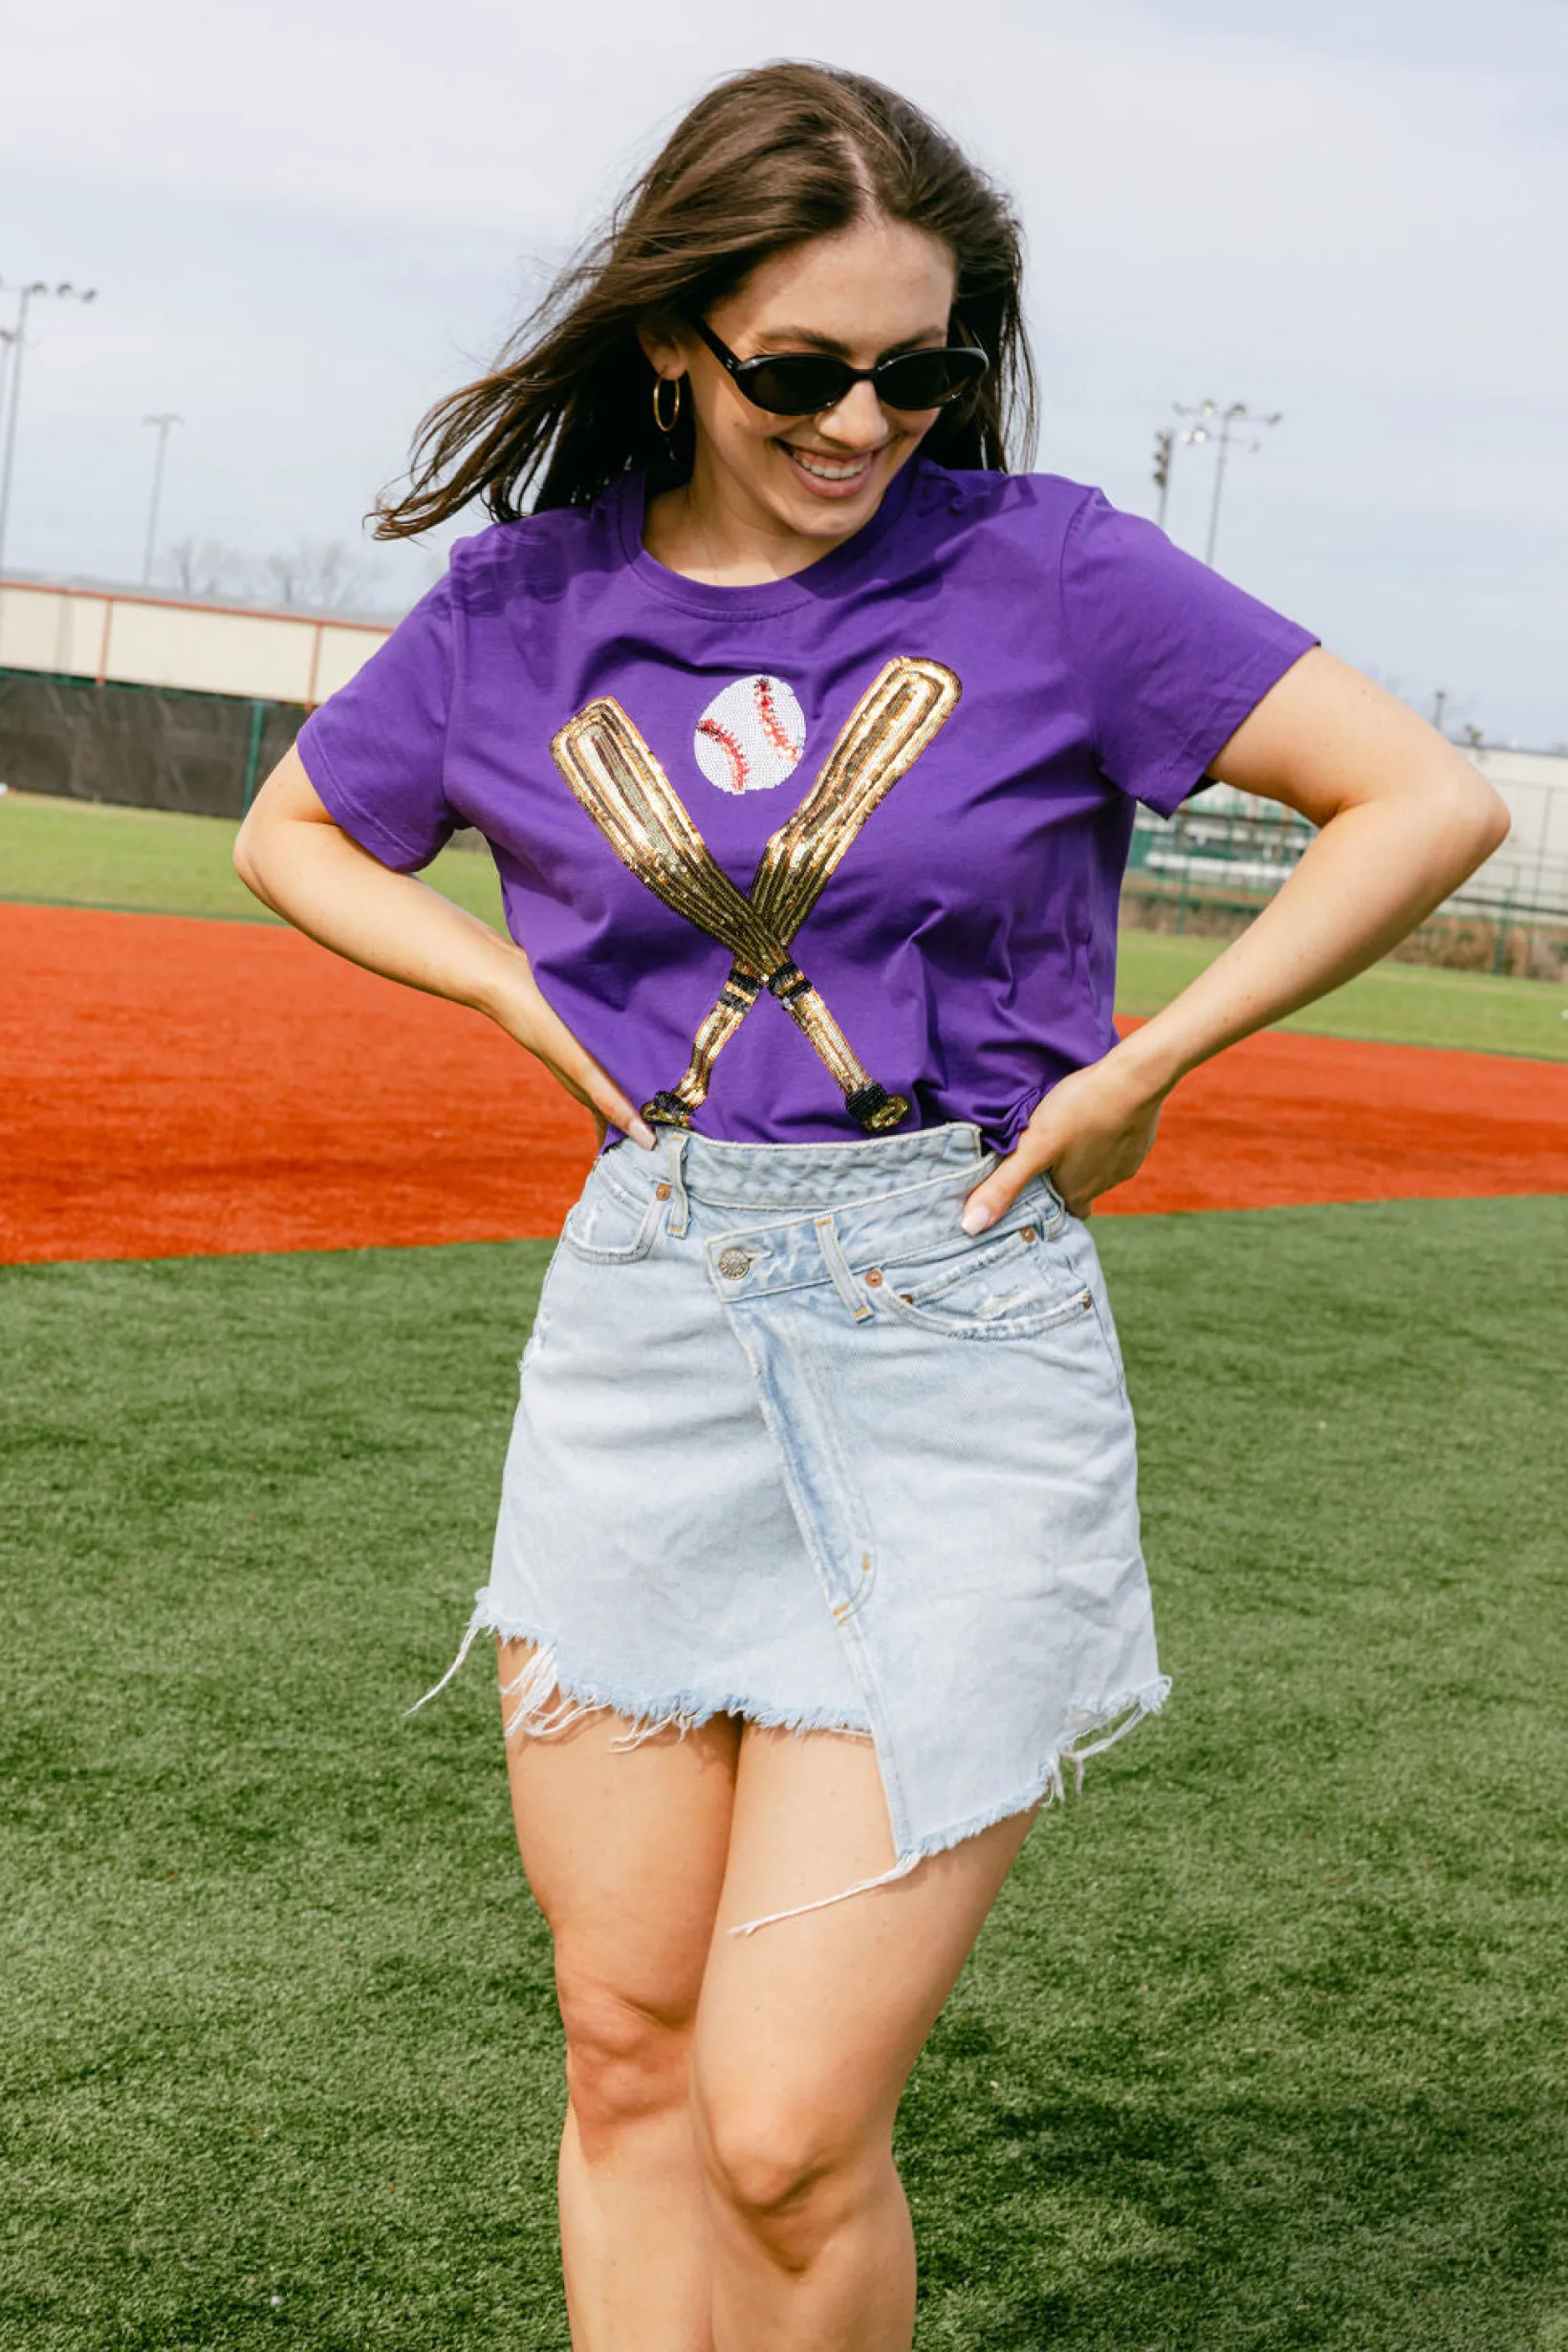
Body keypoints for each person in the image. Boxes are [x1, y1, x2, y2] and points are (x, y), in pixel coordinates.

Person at [233, 60, 1507, 2352]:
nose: (862, 420)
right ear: (669, 340)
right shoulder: (529, 603)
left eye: (915, 370)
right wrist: (514, 993)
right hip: (647, 1331)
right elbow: (293, 835)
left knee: (783, 2124)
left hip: (956, 1334)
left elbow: (1418, 799)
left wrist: (1146, 1068)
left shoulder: (1049, 568)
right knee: (627, 2062)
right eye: (799, 369)